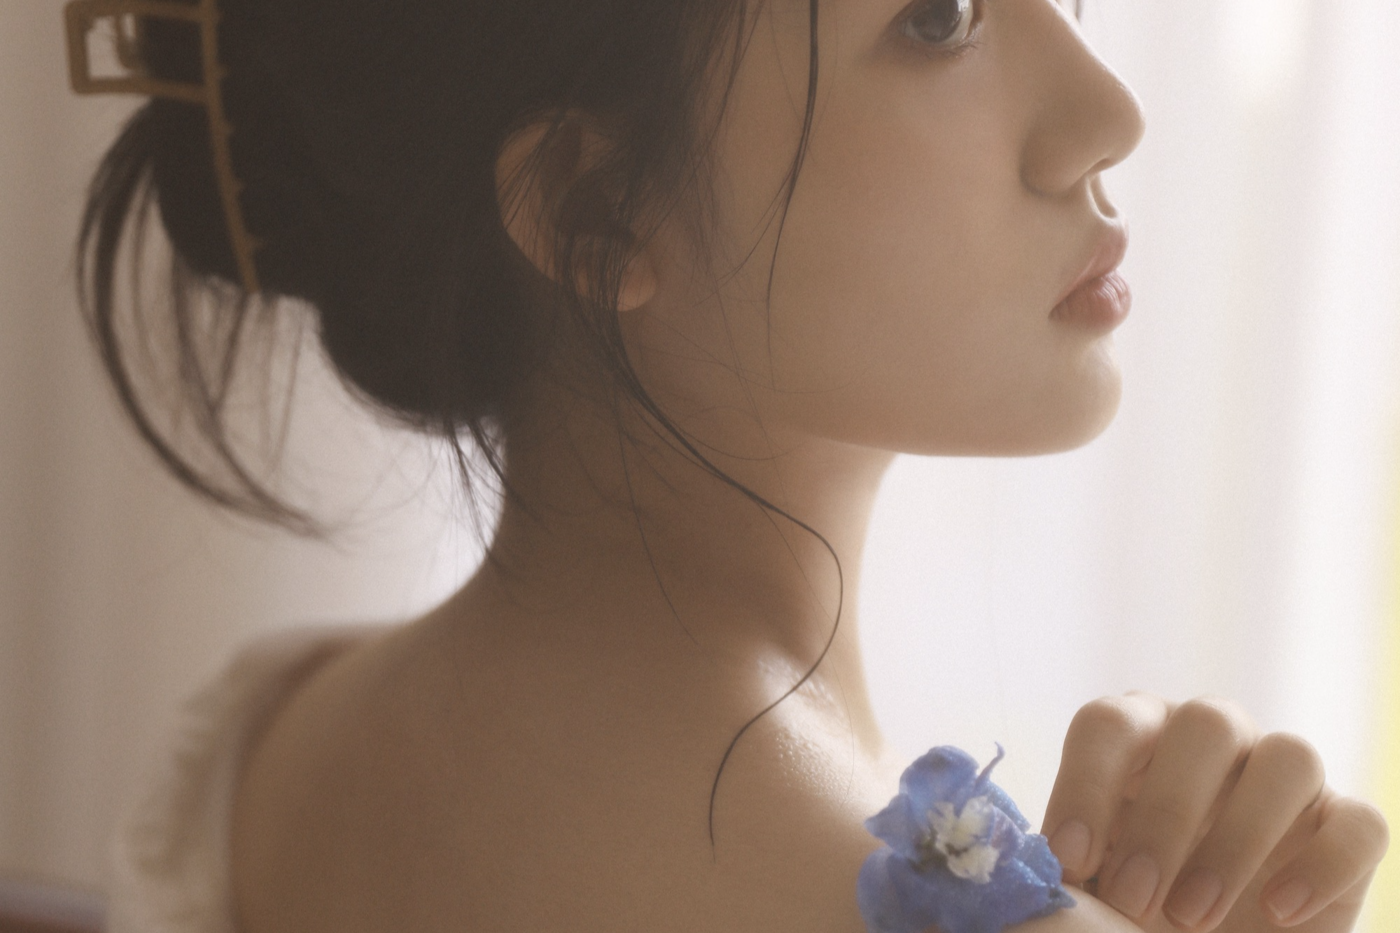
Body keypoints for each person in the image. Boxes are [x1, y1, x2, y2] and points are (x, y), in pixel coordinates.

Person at [67, 0, 1388, 931]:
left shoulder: (262, 747)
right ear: (596, 206)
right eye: (940, 17)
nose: (1109, 114)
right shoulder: (896, 901)